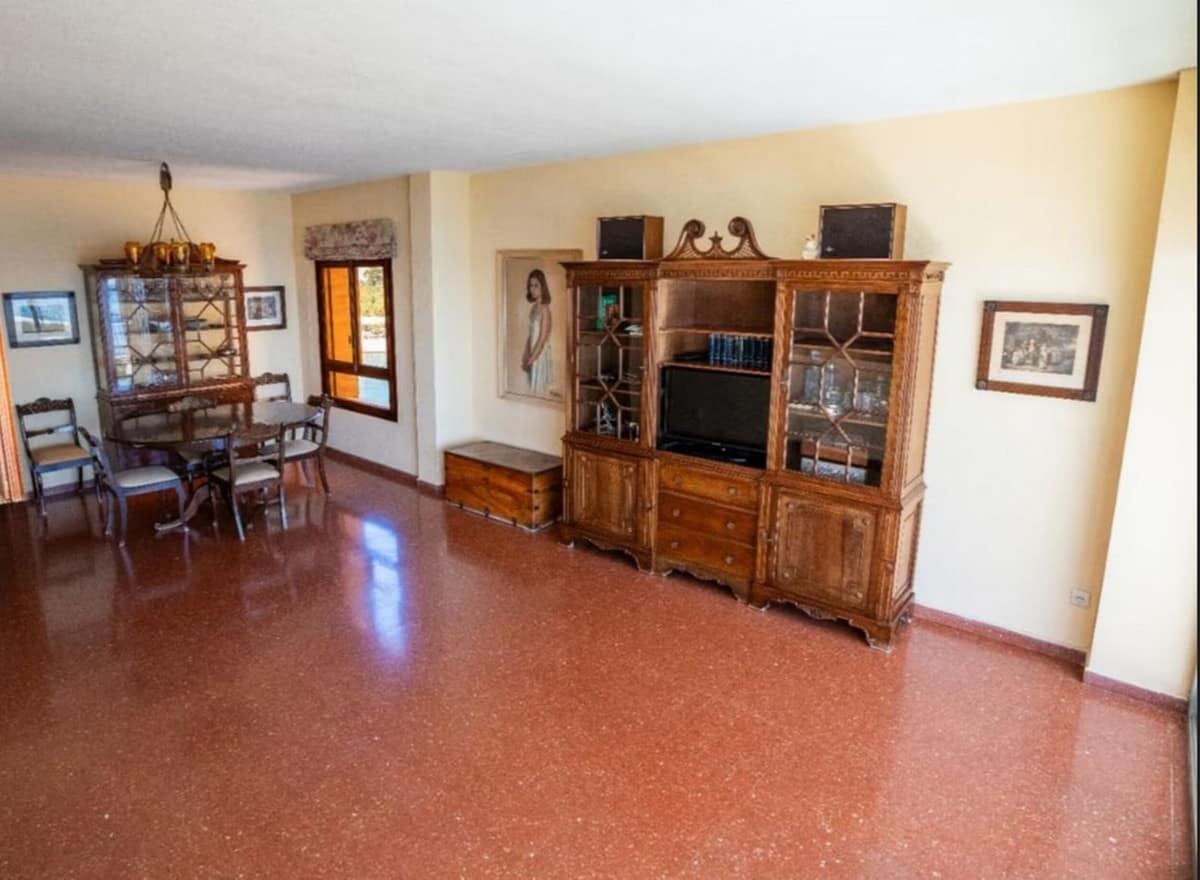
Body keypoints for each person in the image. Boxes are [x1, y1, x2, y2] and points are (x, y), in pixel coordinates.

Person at [520, 269, 553, 394]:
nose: (532, 289)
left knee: (538, 388)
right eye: (530, 285)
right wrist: (525, 354)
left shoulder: (545, 310)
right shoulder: (533, 308)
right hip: (532, 351)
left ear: (542, 286)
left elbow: (542, 339)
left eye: (536, 285)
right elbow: (531, 335)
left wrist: (531, 360)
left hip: (540, 354)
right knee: (530, 386)